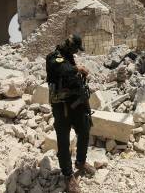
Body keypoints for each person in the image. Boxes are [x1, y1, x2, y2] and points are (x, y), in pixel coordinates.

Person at [46, 34, 95, 193]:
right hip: (62, 107)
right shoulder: (53, 57)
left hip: (77, 104)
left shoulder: (69, 57)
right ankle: (68, 176)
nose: (76, 52)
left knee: (85, 130)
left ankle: (80, 162)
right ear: (69, 46)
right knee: (64, 140)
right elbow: (62, 70)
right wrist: (77, 68)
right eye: (75, 49)